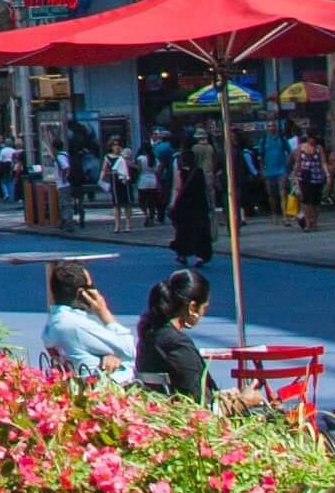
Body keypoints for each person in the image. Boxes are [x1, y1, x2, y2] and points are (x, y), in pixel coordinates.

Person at [40, 260, 130, 382]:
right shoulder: (76, 326)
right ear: (81, 293)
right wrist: (104, 312)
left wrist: (107, 355)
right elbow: (129, 351)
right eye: (91, 287)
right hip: (100, 390)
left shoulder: (55, 321)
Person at [136, 269, 214, 398]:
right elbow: (200, 401)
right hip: (186, 413)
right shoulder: (177, 344)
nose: (202, 314)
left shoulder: (149, 335)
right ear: (192, 307)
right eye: (204, 308)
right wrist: (242, 402)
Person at [168, 145, 214, 272]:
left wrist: (172, 204)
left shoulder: (180, 173)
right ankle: (201, 255)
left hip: (184, 205)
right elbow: (206, 188)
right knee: (200, 230)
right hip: (199, 204)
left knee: (184, 230)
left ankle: (182, 254)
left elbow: (177, 188)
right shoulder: (199, 172)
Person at [292, 135, 327, 232]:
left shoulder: (319, 148)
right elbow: (297, 162)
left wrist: (327, 175)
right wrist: (295, 177)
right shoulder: (300, 148)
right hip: (304, 178)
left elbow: (323, 162)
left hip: (317, 178)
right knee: (306, 202)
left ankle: (314, 222)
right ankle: (308, 223)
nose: (313, 139)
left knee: (315, 202)